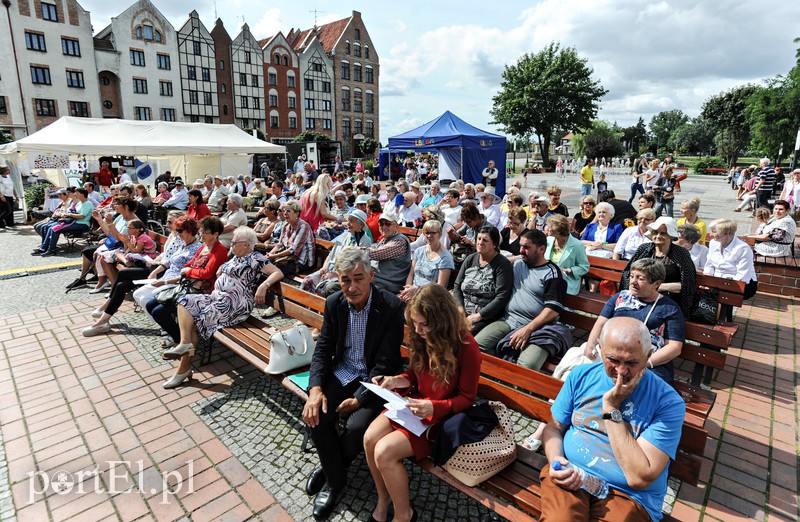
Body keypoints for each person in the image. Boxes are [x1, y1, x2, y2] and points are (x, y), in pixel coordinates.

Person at [540, 317, 685, 522]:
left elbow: (639, 477)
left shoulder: (668, 402)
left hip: (628, 495)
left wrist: (611, 407)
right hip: (572, 475)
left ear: (648, 356)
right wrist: (555, 459)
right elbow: (553, 429)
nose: (621, 371)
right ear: (600, 350)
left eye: (632, 362)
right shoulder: (581, 375)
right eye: (613, 360)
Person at [302, 248, 405, 520]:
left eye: (359, 278)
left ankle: (330, 470)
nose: (352, 286)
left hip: (375, 382)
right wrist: (315, 389)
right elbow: (323, 349)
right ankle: (336, 480)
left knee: (358, 428)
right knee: (316, 414)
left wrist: (360, 398)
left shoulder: (391, 307)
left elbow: (385, 362)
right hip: (343, 372)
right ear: (338, 278)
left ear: (371, 275)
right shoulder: (335, 302)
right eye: (346, 279)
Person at [363, 285, 481, 522]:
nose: (417, 330)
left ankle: (403, 514)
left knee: (384, 452)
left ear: (441, 320)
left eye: (424, 324)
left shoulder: (466, 346)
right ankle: (384, 498)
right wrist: (398, 380)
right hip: (413, 406)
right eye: (414, 323)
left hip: (439, 419)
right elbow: (415, 376)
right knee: (369, 439)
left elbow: (467, 398)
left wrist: (434, 408)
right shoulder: (422, 334)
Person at [162, 226, 284, 388]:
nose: (231, 245)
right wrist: (223, 269)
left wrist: (264, 286)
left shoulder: (255, 258)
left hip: (235, 305)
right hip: (218, 299)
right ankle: (185, 345)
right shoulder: (236, 256)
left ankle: (183, 368)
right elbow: (226, 268)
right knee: (185, 301)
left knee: (195, 320)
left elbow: (278, 272)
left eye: (235, 242)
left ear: (246, 244)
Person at [85, 216, 202, 337]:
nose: (168, 226)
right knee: (122, 284)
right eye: (170, 224)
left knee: (124, 278)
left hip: (171, 279)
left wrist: (162, 278)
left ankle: (107, 311)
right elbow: (168, 259)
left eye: (177, 228)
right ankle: (105, 317)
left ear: (189, 230)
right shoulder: (181, 241)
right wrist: (155, 269)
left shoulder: (192, 246)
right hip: (161, 271)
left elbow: (188, 272)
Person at [475, 229, 568, 370]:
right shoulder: (519, 264)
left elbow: (553, 310)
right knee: (477, 345)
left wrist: (527, 330)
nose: (521, 251)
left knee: (527, 364)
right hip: (509, 320)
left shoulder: (553, 274)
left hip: (539, 328)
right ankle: (501, 379)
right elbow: (500, 261)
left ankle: (518, 389)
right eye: (520, 246)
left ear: (542, 249)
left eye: (526, 247)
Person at [145, 216, 228, 347]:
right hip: (189, 285)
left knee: (158, 311)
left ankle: (179, 339)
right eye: (201, 232)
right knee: (150, 305)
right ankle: (179, 336)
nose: (201, 235)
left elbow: (207, 273)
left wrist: (189, 271)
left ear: (215, 234)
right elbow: (188, 265)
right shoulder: (203, 248)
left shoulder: (220, 250)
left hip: (203, 291)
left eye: (204, 232)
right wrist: (190, 271)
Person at [621, 217, 696, 318]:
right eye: (655, 232)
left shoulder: (681, 254)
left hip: (668, 300)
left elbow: (688, 284)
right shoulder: (644, 249)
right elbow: (627, 273)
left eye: (663, 233)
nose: (658, 236)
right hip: (640, 295)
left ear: (671, 236)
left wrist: (656, 287)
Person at [302, 210, 373, 296]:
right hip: (329, 270)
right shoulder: (344, 236)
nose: (348, 223)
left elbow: (356, 266)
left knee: (324, 288)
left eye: (352, 221)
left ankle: (316, 308)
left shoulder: (365, 241)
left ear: (361, 225)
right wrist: (324, 268)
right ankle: (304, 308)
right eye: (348, 220)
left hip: (344, 275)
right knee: (307, 281)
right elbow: (331, 255)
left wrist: (336, 274)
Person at [704, 219, 758, 321]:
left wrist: (720, 286)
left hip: (742, 285)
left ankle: (717, 321)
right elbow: (709, 265)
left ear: (727, 234)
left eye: (714, 232)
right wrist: (708, 280)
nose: (711, 234)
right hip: (717, 281)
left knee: (723, 295)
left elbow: (741, 276)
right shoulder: (713, 243)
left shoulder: (743, 249)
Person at [399, 220, 455, 302]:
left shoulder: (445, 258)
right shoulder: (419, 251)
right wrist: (407, 289)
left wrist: (417, 290)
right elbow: (411, 275)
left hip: (430, 297)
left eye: (433, 233)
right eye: (426, 233)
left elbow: (440, 287)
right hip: (412, 292)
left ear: (439, 234)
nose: (429, 236)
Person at [362, 212, 412, 294]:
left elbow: (377, 254)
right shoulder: (385, 239)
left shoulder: (400, 241)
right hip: (377, 279)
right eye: (381, 224)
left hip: (389, 284)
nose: (384, 227)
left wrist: (353, 250)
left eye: (388, 224)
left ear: (396, 226)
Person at [33, 188, 93, 256]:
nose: (75, 194)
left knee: (54, 229)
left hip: (82, 224)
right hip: (73, 221)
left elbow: (82, 216)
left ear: (82, 194)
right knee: (51, 228)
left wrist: (69, 214)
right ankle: (45, 247)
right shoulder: (79, 203)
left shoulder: (88, 203)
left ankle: (50, 250)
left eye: (77, 193)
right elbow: (73, 211)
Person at [267, 200, 316, 277]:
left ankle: (267, 286)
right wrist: (270, 254)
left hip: (302, 261)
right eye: (284, 211)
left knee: (275, 271)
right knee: (266, 265)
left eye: (288, 211)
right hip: (289, 258)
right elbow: (279, 245)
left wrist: (274, 256)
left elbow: (293, 250)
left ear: (297, 213)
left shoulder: (303, 226)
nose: (285, 213)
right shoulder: (286, 225)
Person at [545, 215, 589, 296]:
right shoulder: (549, 240)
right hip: (547, 278)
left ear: (558, 230)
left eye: (550, 226)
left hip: (566, 281)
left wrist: (568, 270)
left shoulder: (577, 245)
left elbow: (584, 267)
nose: (547, 228)